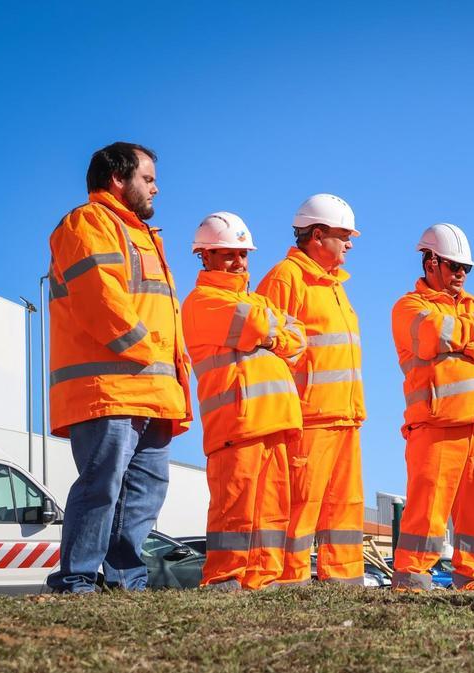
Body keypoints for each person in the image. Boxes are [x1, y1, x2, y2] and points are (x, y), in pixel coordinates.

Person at [45, 142, 193, 593]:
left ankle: (126, 580)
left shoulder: (142, 234)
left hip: (152, 392)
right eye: (147, 179)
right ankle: (77, 579)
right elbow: (98, 298)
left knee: (145, 494)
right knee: (101, 486)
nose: (155, 188)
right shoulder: (87, 223)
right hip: (109, 387)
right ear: (117, 179)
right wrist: (147, 348)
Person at [182, 212, 305, 590]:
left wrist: (272, 330)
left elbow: (298, 339)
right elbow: (257, 326)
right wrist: (273, 330)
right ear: (205, 256)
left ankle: (263, 578)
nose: (238, 262)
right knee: (233, 507)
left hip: (275, 421)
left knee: (272, 508)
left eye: (243, 254)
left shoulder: (254, 301)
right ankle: (224, 577)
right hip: (236, 423)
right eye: (228, 254)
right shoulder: (202, 302)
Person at [390, 223, 474, 591]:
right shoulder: (409, 307)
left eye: (467, 268)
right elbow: (432, 335)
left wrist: (458, 336)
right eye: (453, 265)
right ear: (430, 262)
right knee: (427, 507)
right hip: (437, 423)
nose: (461, 274)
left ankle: (473, 580)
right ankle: (413, 576)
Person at [256, 194, 366, 586]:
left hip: (345, 418)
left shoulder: (334, 285)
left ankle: (344, 583)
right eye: (344, 235)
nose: (350, 243)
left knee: (344, 508)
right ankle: (290, 580)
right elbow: (268, 351)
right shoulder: (286, 278)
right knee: (300, 505)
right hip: (308, 419)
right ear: (317, 235)